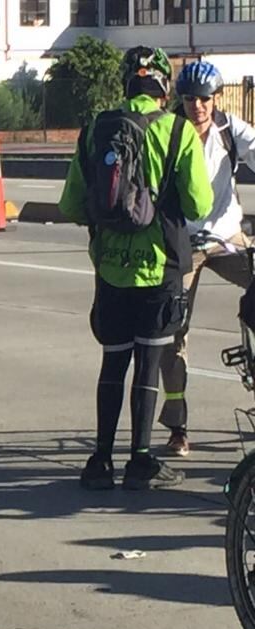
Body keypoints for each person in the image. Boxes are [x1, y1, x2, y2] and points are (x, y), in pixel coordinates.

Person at [59, 46, 213, 490]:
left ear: (126, 82)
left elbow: (71, 204)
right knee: (148, 363)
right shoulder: (177, 130)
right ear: (164, 86)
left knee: (112, 361)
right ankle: (141, 459)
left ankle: (100, 460)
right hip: (159, 265)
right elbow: (199, 203)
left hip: (109, 266)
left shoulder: (94, 129)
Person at [157, 61, 255, 457]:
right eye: (189, 99)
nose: (197, 106)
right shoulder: (168, 131)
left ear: (216, 98)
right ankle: (178, 425)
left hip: (228, 236)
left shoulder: (231, 130)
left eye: (204, 98)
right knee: (171, 331)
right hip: (183, 242)